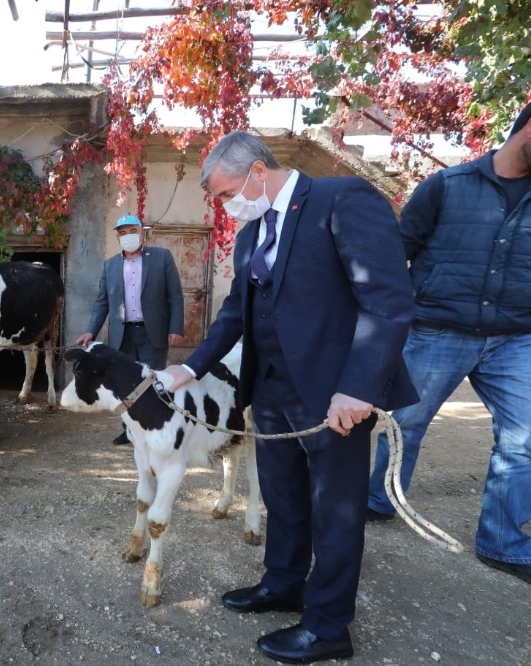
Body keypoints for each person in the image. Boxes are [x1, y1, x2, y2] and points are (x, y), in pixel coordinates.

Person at [162, 131, 417, 664]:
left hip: (334, 395)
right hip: (273, 387)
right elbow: (236, 310)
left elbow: (387, 300)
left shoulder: (340, 200)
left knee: (336, 511)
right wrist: (190, 366)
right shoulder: (255, 232)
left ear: (258, 171)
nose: (226, 205)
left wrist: (358, 388)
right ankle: (283, 584)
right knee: (283, 497)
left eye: (226, 192)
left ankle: (327, 627)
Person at [367, 103, 531, 585]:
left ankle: (502, 542)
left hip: (516, 338)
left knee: (525, 439)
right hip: (439, 329)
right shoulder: (448, 186)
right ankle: (379, 499)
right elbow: (400, 251)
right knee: (404, 424)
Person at [76, 214, 185, 445]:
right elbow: (102, 302)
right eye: (123, 233)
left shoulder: (162, 258)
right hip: (122, 335)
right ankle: (129, 430)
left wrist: (175, 328)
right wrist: (90, 331)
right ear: (117, 237)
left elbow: (175, 296)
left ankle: (156, 428)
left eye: (132, 231)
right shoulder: (110, 265)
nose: (128, 236)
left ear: (142, 232)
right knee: (124, 384)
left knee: (154, 381)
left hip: (152, 332)